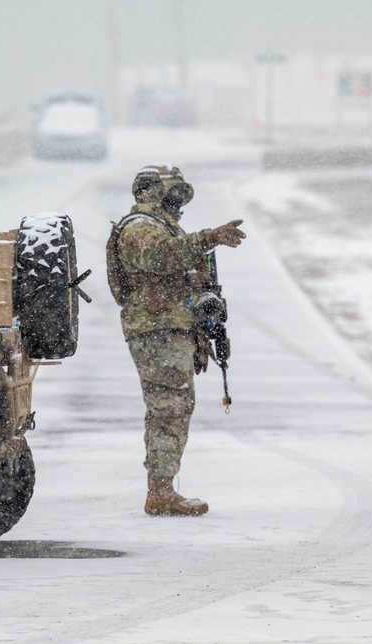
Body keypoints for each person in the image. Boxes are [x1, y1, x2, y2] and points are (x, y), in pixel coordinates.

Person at [106, 164, 246, 516]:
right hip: (157, 330)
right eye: (174, 192)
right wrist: (207, 238)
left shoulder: (162, 228)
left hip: (170, 328)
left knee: (176, 407)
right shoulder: (139, 227)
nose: (179, 200)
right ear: (151, 191)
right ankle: (160, 492)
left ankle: (162, 488)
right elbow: (161, 257)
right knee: (168, 409)